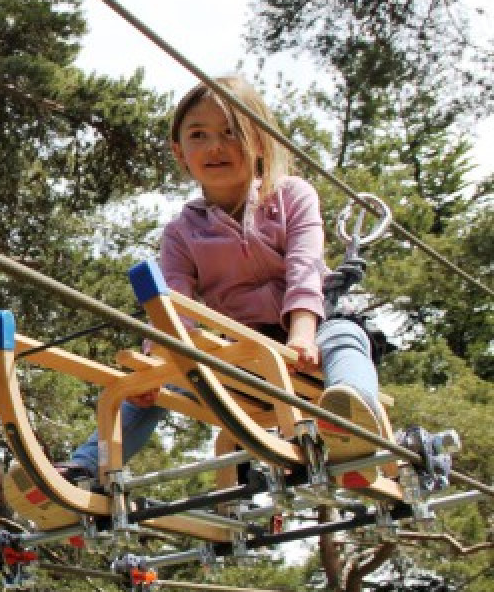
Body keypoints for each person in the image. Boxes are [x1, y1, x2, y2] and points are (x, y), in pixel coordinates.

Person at [58, 75, 384, 482]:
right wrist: (154, 367)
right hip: (240, 348)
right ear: (180, 152)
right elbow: (173, 308)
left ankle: (351, 412)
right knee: (163, 376)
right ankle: (87, 466)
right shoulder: (183, 233)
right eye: (199, 135)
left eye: (231, 133)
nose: (215, 147)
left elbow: (304, 268)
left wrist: (302, 333)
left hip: (307, 333)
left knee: (347, 339)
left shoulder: (291, 197)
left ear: (260, 143)